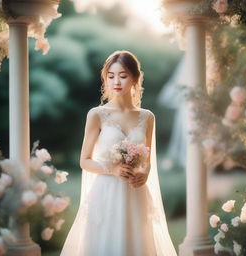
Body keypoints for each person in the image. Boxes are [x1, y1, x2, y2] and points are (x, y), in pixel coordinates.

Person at [60, 50, 177, 256]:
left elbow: (147, 161)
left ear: (135, 78)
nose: (116, 81)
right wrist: (112, 169)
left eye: (123, 76)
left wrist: (145, 173)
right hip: (106, 193)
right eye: (111, 76)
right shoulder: (97, 115)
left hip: (135, 193)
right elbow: (84, 161)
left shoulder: (147, 117)